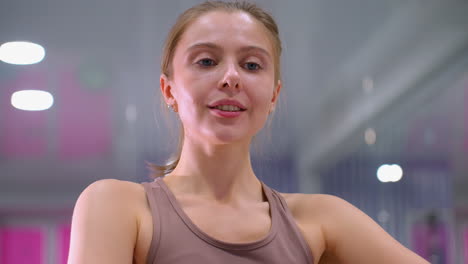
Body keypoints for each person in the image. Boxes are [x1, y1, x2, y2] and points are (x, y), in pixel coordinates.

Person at [67, 1, 430, 263]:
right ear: (169, 91)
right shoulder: (116, 207)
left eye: (251, 64)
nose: (230, 77)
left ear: (273, 96)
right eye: (206, 61)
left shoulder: (321, 218)